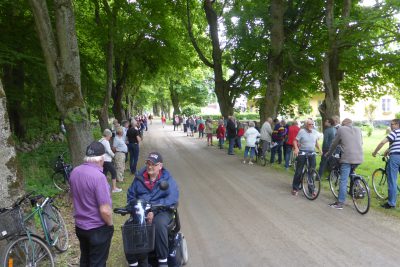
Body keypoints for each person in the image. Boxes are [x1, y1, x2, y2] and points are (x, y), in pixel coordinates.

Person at [126, 152, 179, 267]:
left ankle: (163, 261)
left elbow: (173, 198)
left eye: (153, 164)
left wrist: (153, 210)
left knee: (158, 224)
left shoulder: (168, 179)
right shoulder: (139, 179)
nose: (150, 166)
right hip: (141, 211)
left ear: (160, 166)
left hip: (162, 211)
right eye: (148, 163)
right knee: (129, 226)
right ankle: (135, 262)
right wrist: (133, 206)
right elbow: (131, 196)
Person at [69, 141, 114, 267]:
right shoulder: (99, 178)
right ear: (102, 158)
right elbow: (105, 210)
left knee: (85, 260)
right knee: (97, 263)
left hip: (80, 227)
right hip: (97, 229)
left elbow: (73, 196)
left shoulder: (75, 172)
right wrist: (110, 225)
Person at [326, 118, 363, 209]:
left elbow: (334, 143)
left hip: (347, 158)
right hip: (359, 157)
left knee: (343, 180)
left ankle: (340, 203)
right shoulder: (358, 129)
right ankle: (359, 185)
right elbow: (361, 142)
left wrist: (328, 153)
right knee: (352, 172)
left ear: (343, 124)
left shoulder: (341, 129)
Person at [372, 119, 400, 209]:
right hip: (395, 154)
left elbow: (382, 142)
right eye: (390, 124)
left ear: (397, 125)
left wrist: (375, 152)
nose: (391, 126)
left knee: (392, 180)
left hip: (395, 158)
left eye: (393, 124)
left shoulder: (395, 132)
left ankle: (391, 203)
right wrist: (387, 151)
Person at [291, 119, 321, 196]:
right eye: (309, 124)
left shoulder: (315, 132)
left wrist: (320, 150)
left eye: (312, 124)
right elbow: (295, 141)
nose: (311, 126)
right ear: (306, 125)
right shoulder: (302, 132)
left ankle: (311, 190)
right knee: (299, 171)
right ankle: (295, 188)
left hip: (312, 153)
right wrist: (296, 149)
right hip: (302, 152)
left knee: (311, 171)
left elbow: (316, 142)